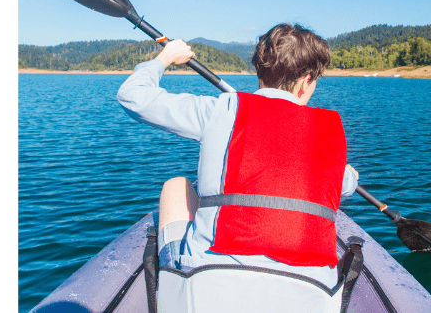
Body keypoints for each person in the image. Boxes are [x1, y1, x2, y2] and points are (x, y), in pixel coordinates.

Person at [117, 23, 358, 300]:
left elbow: (132, 96)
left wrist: (166, 57)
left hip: (209, 286)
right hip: (311, 294)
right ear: (306, 82)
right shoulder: (329, 133)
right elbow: (346, 185)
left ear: (260, 70)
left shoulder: (221, 109)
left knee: (177, 186)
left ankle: (171, 287)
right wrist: (348, 175)